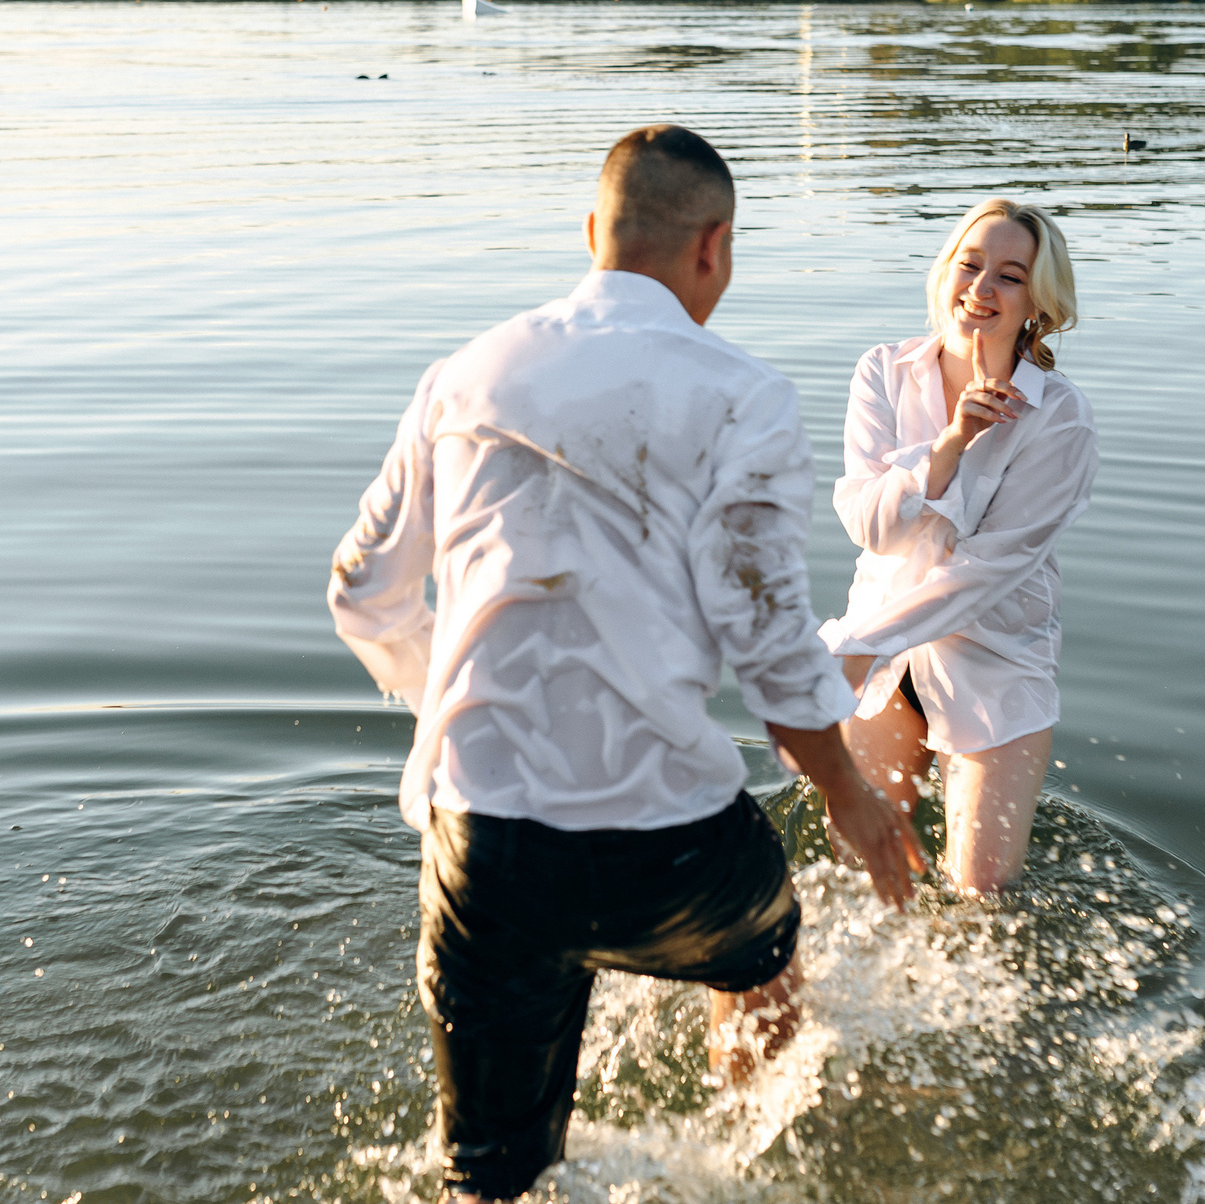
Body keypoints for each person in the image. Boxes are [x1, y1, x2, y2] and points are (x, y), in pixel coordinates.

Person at [328, 125, 921, 1203]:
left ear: (593, 230)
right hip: (672, 848)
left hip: (486, 847)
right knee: (764, 950)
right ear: (715, 248)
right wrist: (852, 794)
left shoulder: (462, 374)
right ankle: (742, 1154)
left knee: (487, 1181)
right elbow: (770, 633)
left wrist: (449, 707)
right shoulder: (744, 393)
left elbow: (361, 589)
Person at [820, 197, 1098, 897]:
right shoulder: (883, 371)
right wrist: (947, 448)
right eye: (970, 265)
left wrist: (861, 645)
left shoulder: (1059, 417)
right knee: (856, 875)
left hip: (994, 659)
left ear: (1038, 300)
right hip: (882, 662)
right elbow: (868, 524)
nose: (980, 288)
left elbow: (988, 571)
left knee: (980, 897)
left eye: (1009, 275)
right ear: (945, 270)